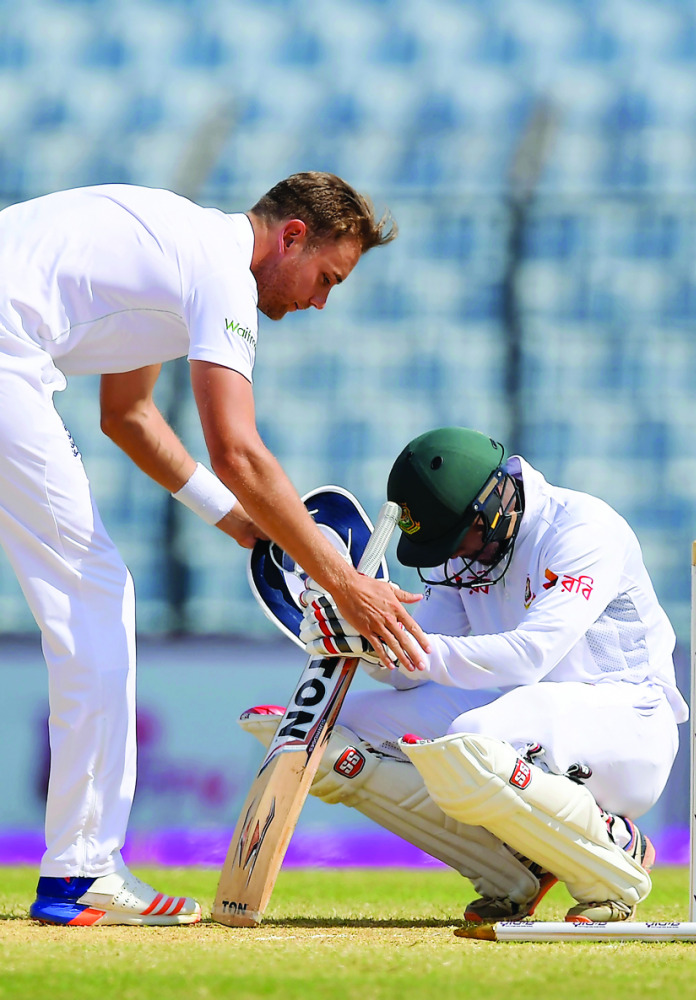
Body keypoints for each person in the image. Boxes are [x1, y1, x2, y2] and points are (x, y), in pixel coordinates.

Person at [0, 173, 428, 926]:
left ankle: (82, 869)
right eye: (327, 277)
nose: (320, 301)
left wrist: (239, 523)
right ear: (291, 235)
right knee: (97, 590)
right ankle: (82, 871)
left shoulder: (180, 254)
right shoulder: (222, 271)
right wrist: (344, 583)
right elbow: (237, 450)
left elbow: (128, 416)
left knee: (92, 588)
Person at [250, 425, 688, 924]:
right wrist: (363, 638)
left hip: (628, 724)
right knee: (332, 730)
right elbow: (412, 673)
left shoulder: (583, 530)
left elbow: (531, 655)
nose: (454, 558)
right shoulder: (470, 554)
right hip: (523, 716)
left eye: (459, 541)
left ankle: (615, 855)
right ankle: (511, 869)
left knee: (472, 742)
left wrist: (395, 638)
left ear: (495, 503)